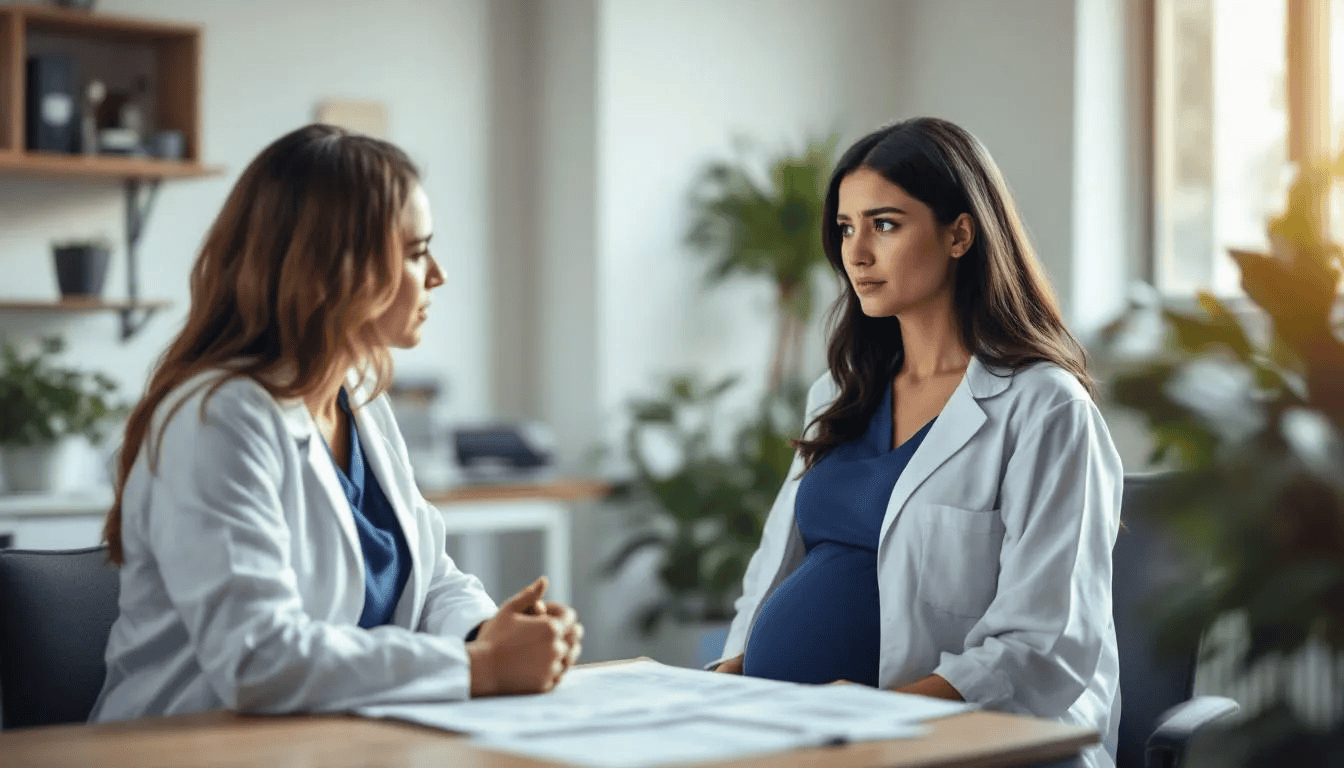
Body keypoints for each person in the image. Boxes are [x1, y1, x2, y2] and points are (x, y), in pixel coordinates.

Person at [91, 124, 581, 722]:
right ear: (337, 270)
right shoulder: (218, 418)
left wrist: (488, 633)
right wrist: (483, 667)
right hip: (182, 746)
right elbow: (258, 660)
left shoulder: (357, 399)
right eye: (417, 252)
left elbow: (427, 578)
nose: (437, 275)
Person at [710, 117, 1122, 768]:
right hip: (800, 738)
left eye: (885, 225)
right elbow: (770, 575)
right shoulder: (840, 392)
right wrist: (725, 685)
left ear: (960, 234)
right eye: (846, 227)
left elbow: (1044, 648)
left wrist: (881, 716)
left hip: (962, 746)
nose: (856, 253)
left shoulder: (1045, 408)